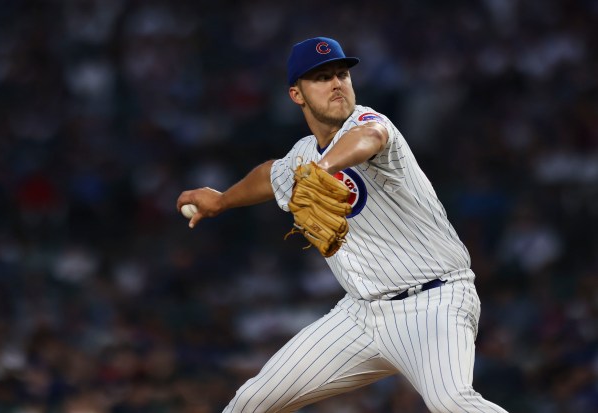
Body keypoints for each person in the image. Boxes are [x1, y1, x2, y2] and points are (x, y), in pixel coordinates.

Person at [177, 36, 509, 413]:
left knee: (451, 402)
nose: (336, 83)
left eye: (341, 74)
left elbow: (370, 137)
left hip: (434, 301)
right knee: (250, 403)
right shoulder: (302, 155)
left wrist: (323, 170)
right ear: (296, 95)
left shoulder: (369, 123)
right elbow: (270, 175)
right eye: (321, 78)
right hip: (361, 315)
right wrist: (221, 200)